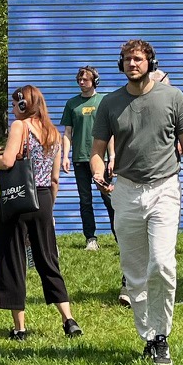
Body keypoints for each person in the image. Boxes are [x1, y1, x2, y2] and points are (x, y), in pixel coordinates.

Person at [91, 38, 183, 365]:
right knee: (135, 273)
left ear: (150, 62)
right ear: (120, 64)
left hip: (164, 188)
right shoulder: (110, 103)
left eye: (137, 58)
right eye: (127, 59)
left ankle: (162, 335)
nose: (132, 64)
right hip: (126, 191)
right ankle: (149, 336)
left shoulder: (172, 97)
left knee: (163, 265)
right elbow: (96, 151)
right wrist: (97, 172)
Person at [0, 84, 83, 340]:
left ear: (24, 104)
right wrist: (48, 208)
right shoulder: (53, 133)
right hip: (43, 199)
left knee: (13, 260)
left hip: (18, 199)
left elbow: (8, 161)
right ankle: (68, 319)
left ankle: (19, 328)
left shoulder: (19, 126)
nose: (13, 109)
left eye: (15, 104)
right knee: (48, 259)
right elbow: (55, 179)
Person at [60, 66, 112, 251]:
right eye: (79, 80)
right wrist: (65, 156)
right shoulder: (72, 104)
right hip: (80, 158)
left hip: (101, 159)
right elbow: (67, 132)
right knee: (85, 200)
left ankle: (120, 236)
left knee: (109, 197)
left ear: (95, 81)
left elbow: (111, 132)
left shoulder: (104, 101)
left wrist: (112, 156)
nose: (82, 82)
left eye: (85, 80)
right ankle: (90, 238)